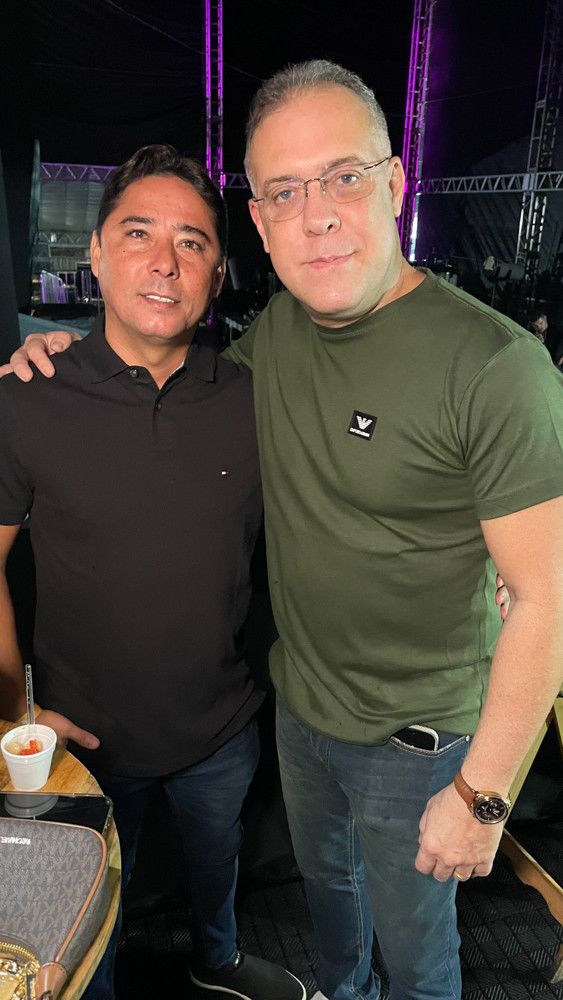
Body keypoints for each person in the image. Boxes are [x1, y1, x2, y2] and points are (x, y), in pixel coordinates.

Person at [5, 61, 563, 1000]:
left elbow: (548, 596)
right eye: (285, 191)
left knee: (417, 953)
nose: (318, 216)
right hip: (299, 715)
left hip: (417, 741)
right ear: (261, 225)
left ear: (394, 184)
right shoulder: (270, 342)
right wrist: (45, 344)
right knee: (326, 904)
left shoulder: (495, 368)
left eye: (343, 176)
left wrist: (483, 798)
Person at [0, 145, 305, 1000]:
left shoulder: (254, 397)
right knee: (81, 924)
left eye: (192, 242)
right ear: (95, 254)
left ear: (217, 273)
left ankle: (216, 962)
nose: (165, 262)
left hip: (221, 726)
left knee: (216, 868)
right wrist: (14, 717)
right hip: (83, 740)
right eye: (138, 234)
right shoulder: (26, 395)